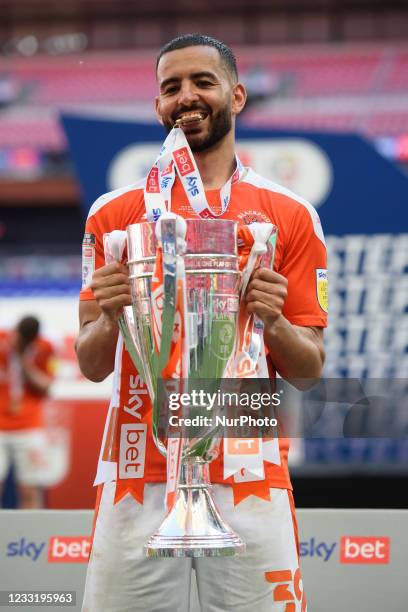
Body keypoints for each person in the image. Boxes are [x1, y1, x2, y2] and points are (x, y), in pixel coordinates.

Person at [77, 34, 327, 612]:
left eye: (202, 83)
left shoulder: (289, 214)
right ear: (158, 106)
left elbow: (310, 371)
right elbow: (91, 364)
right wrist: (111, 315)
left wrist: (275, 321)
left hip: (248, 468)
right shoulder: (113, 215)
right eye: (171, 88)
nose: (186, 97)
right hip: (136, 470)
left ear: (236, 96)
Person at [0, 315, 55, 508]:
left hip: (30, 426)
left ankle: (31, 534)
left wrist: (22, 360)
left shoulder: (45, 348)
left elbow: (47, 386)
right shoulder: (2, 339)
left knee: (30, 488)